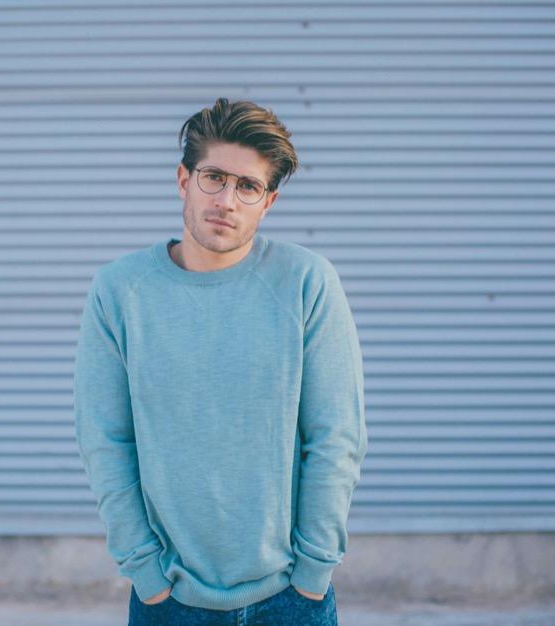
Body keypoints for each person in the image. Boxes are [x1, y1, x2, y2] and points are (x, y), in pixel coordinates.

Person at [73, 97, 367, 625]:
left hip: (290, 597)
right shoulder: (120, 291)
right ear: (183, 180)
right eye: (214, 177)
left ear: (267, 202)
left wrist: (312, 575)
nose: (226, 200)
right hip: (170, 600)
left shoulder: (306, 283)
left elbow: (335, 437)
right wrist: (147, 576)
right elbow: (105, 440)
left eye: (247, 186)